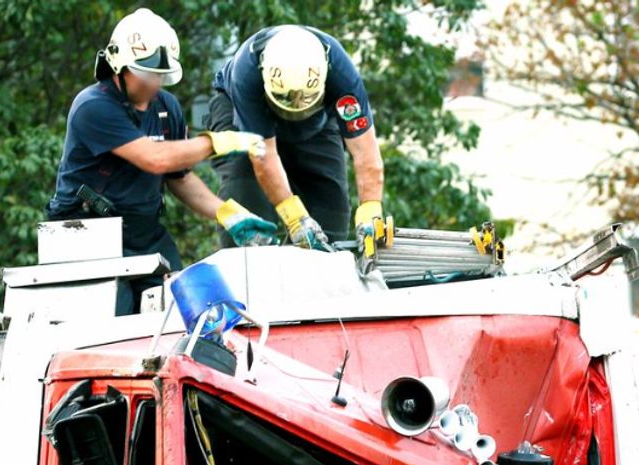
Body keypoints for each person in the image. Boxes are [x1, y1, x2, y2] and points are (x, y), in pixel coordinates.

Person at [45, 9, 278, 313]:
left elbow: (178, 176)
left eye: (159, 75)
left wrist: (227, 213)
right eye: (146, 73)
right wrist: (214, 142)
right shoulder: (93, 107)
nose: (154, 83)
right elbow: (154, 159)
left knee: (181, 312)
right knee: (114, 326)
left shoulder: (166, 108)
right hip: (86, 235)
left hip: (145, 231)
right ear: (119, 65)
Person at [208, 25, 386, 252]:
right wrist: (295, 219)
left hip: (317, 123)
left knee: (331, 217)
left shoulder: (342, 75)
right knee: (246, 202)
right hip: (244, 116)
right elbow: (265, 157)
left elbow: (365, 153)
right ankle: (247, 275)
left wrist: (370, 213)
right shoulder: (246, 74)